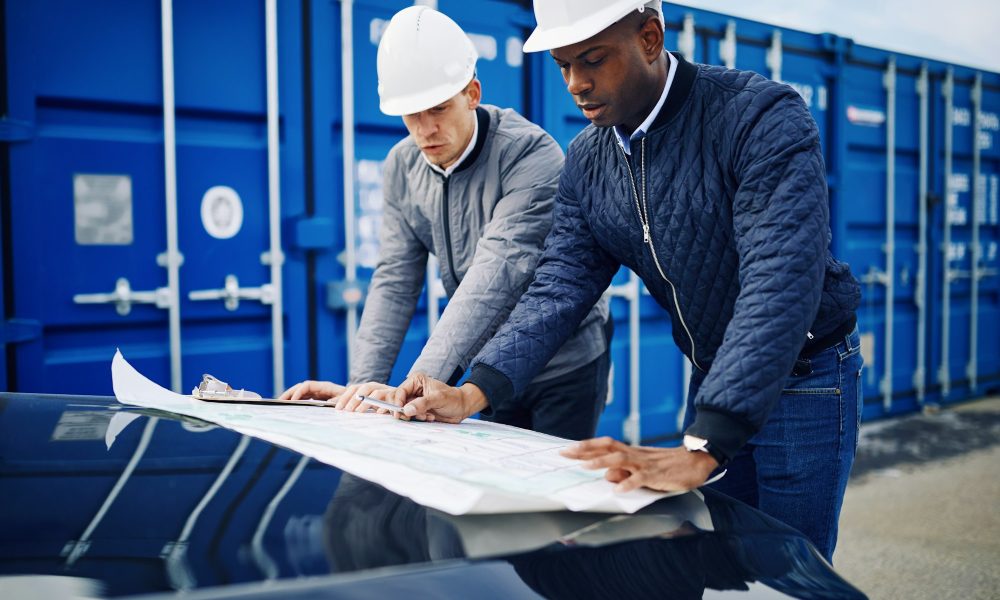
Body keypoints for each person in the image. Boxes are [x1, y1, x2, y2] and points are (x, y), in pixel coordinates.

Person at [389, 0, 862, 561]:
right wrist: (471, 393)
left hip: (807, 376)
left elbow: (778, 278)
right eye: (564, 65)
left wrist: (707, 442)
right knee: (723, 566)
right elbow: (559, 287)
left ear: (650, 37)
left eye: (593, 59)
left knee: (791, 572)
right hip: (715, 375)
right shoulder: (588, 161)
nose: (576, 83)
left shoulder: (759, 117)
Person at [279, 5, 611, 441]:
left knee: (555, 483)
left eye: (438, 108)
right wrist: (362, 389)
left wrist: (414, 388)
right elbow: (395, 280)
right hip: (486, 366)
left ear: (472, 93)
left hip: (563, 363)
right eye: (411, 114)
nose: (425, 130)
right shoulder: (402, 166)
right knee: (492, 481)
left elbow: (497, 271)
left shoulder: (530, 154)